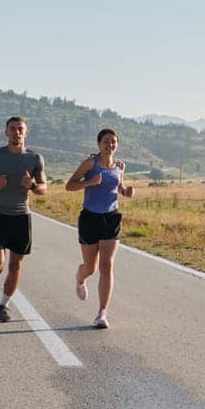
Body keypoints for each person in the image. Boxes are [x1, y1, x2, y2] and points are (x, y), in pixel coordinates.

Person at [0, 116, 47, 322]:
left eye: (20, 129)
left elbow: (43, 188)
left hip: (21, 217)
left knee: (15, 266)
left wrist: (31, 186)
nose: (16, 132)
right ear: (6, 132)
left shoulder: (35, 159)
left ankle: (3, 306)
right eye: (12, 129)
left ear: (26, 133)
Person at [65, 128, 133, 328]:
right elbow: (69, 185)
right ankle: (80, 278)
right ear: (99, 143)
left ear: (116, 145)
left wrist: (126, 191)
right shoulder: (90, 163)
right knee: (91, 267)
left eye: (113, 142)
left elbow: (119, 188)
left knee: (107, 265)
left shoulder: (120, 166)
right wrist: (90, 182)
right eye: (106, 141)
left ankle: (102, 313)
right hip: (89, 218)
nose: (109, 145)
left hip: (111, 217)